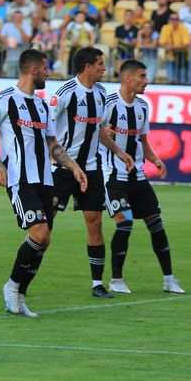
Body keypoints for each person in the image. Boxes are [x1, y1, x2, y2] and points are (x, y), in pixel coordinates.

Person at [0, 49, 87, 317]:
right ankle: (12, 287)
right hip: (19, 179)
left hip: (45, 180)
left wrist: (74, 167)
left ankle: (19, 293)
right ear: (33, 70)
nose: (48, 73)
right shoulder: (2, 100)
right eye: (46, 68)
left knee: (44, 240)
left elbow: (53, 144)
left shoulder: (41, 105)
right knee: (39, 234)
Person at [49, 47, 133, 299]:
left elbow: (99, 130)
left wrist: (118, 151)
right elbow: (47, 131)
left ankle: (97, 283)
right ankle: (24, 277)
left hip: (93, 169)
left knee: (95, 223)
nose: (104, 68)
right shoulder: (64, 93)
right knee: (44, 227)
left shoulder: (101, 93)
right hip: (62, 169)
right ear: (87, 66)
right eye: (100, 64)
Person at [101, 59, 185, 295]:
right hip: (113, 176)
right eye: (142, 77)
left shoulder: (143, 106)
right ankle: (116, 280)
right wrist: (102, 134)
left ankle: (169, 279)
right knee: (125, 223)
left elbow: (143, 140)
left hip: (137, 177)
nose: (146, 81)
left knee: (156, 224)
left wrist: (155, 159)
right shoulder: (108, 104)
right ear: (128, 78)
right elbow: (93, 132)